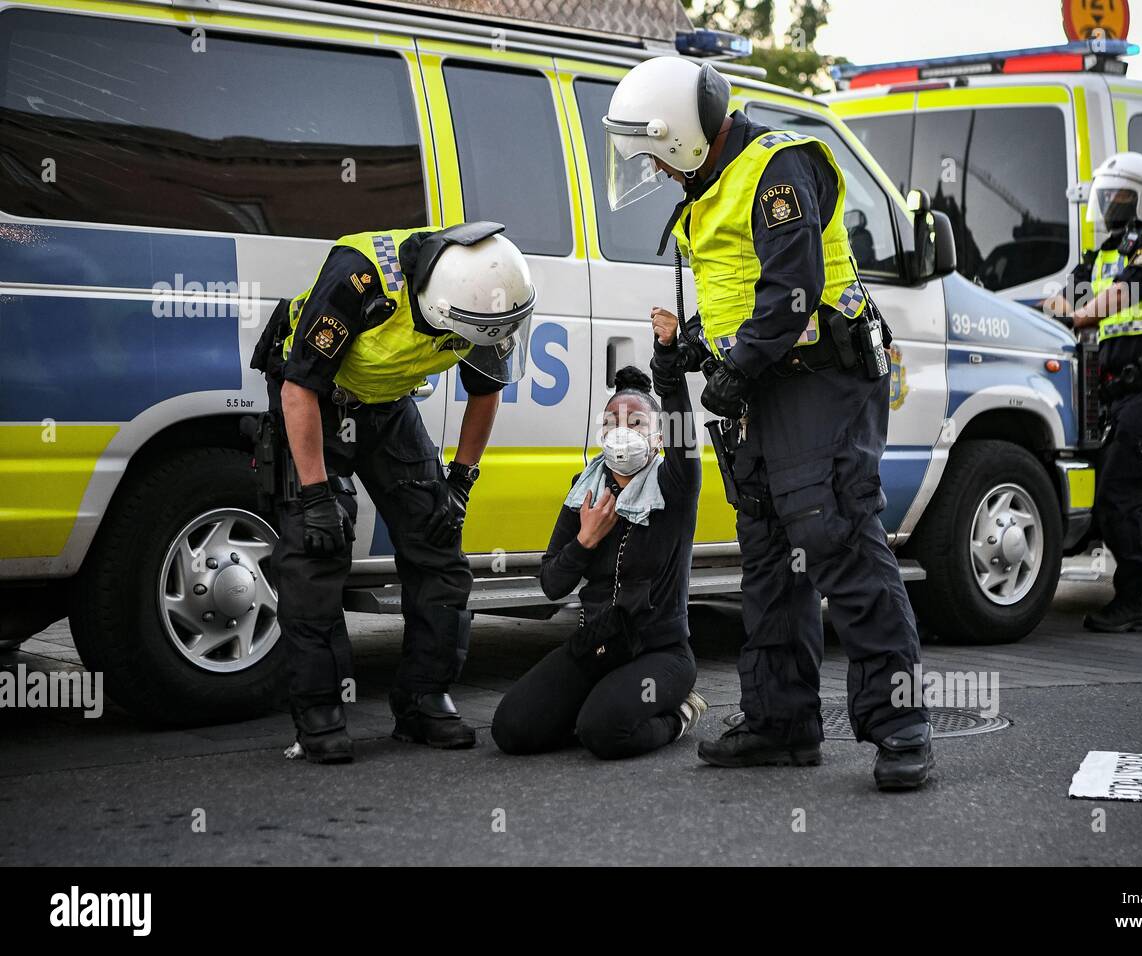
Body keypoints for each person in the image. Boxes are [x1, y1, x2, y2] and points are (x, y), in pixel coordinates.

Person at [601, 56, 932, 790]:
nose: (652, 168)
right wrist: (692, 343)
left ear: (684, 136)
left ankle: (901, 724)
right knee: (773, 553)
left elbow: (793, 290)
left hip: (819, 379)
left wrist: (733, 369)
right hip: (764, 385)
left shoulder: (778, 168)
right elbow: (738, 294)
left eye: (655, 152)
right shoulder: (712, 185)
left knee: (837, 537)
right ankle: (781, 722)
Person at [250, 221, 534, 763]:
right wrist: (315, 497)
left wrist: (461, 481)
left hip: (388, 404)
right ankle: (320, 712)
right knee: (318, 551)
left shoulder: (487, 295)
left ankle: (424, 699)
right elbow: (297, 388)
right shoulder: (359, 278)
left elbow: (486, 391)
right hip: (317, 402)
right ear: (439, 308)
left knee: (438, 543)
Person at [491, 310, 707, 760]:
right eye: (612, 423)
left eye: (637, 424)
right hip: (597, 644)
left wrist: (666, 355)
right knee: (511, 730)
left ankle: (680, 712)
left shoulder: (674, 487)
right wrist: (585, 540)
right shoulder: (583, 493)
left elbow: (685, 427)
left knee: (605, 733)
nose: (622, 432)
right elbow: (552, 584)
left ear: (659, 437)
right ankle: (592, 707)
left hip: (660, 653)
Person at [1042, 151, 1142, 633]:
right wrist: (1073, 305)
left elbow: (1109, 300)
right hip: (1123, 398)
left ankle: (1131, 600)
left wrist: (1083, 309)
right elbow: (1056, 299)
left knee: (1117, 497)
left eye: (1120, 196)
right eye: (1106, 196)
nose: (1109, 204)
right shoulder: (1104, 255)